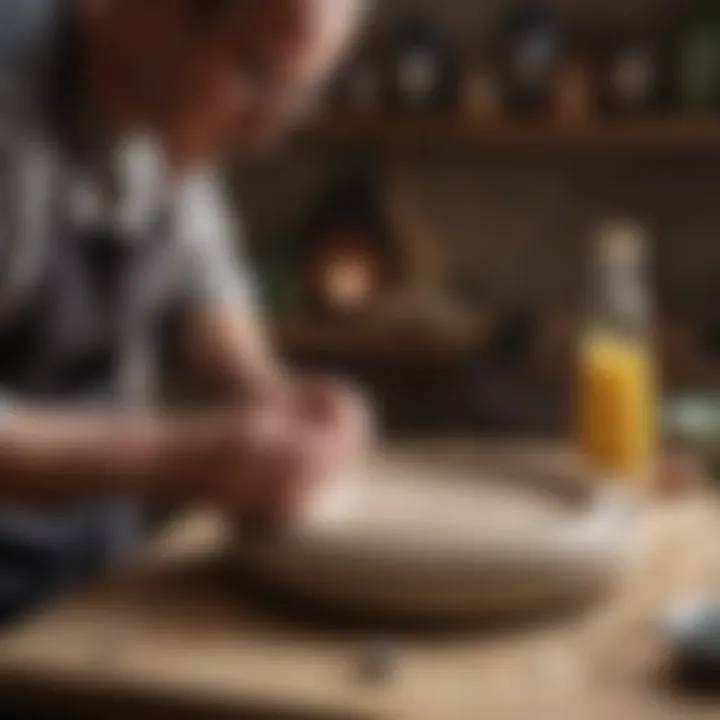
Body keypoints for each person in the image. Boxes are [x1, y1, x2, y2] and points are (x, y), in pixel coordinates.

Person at [0, 0, 370, 621]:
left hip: (86, 578)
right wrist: (190, 459)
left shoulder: (163, 110)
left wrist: (270, 398)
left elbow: (203, 276)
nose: (269, 131)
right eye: (259, 76)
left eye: (296, 98)